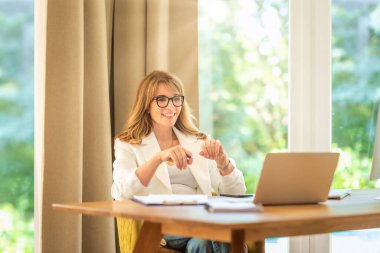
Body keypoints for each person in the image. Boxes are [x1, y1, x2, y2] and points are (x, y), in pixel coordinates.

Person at [111, 70, 247, 253]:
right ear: (146, 105)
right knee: (225, 238)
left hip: (200, 218)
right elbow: (120, 192)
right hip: (162, 224)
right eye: (161, 99)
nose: (171, 107)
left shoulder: (198, 140)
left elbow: (236, 194)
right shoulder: (128, 144)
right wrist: (158, 158)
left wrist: (223, 163)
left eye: (176, 99)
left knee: (201, 244)